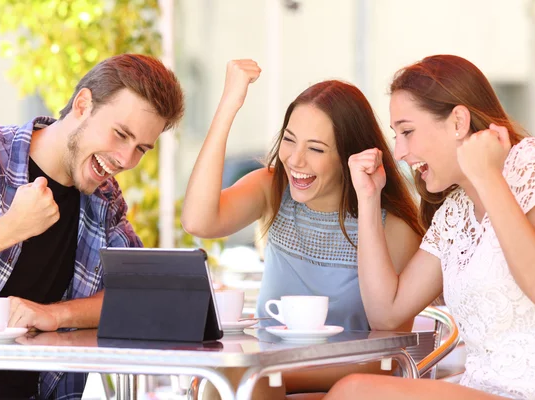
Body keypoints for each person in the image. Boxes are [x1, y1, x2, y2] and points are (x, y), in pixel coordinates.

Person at [181, 60, 423, 399]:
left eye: (315, 149)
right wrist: (228, 106)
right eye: (289, 140)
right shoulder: (273, 189)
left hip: (349, 375)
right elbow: (197, 221)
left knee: (245, 383)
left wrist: (276, 371)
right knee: (231, 383)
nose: (295, 160)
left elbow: (389, 346)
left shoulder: (393, 227)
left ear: (348, 156)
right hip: (267, 371)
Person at [0, 53, 184, 400]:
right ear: (83, 103)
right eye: (120, 134)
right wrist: (11, 227)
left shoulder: (103, 201)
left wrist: (55, 315)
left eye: (141, 149)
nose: (126, 160)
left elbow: (140, 293)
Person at [326, 54, 535, 400]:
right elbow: (387, 313)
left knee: (354, 392)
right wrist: (368, 201)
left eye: (407, 131)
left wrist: (488, 176)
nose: (399, 151)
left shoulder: (532, 164)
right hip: (479, 390)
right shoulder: (454, 212)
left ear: (458, 121)